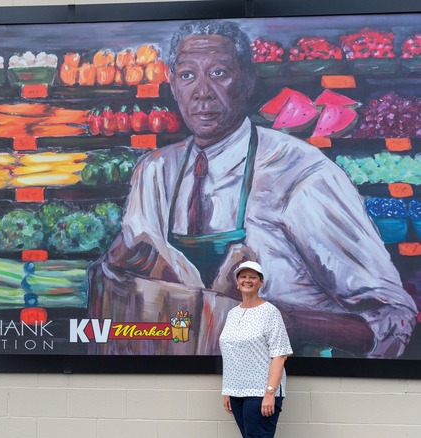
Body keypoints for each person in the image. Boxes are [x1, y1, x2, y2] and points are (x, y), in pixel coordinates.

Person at [88, 19, 417, 358]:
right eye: (188, 75)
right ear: (172, 83)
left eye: (218, 73)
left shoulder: (303, 173)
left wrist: (292, 321)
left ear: (246, 80)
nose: (201, 91)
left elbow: (392, 316)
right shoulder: (154, 171)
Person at [220, 261, 292, 438]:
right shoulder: (232, 313)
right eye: (243, 276)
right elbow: (231, 353)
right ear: (237, 283)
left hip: (260, 392)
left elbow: (280, 355)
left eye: (253, 277)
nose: (247, 280)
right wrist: (229, 390)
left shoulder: (270, 312)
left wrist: (269, 393)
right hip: (237, 391)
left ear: (261, 283)